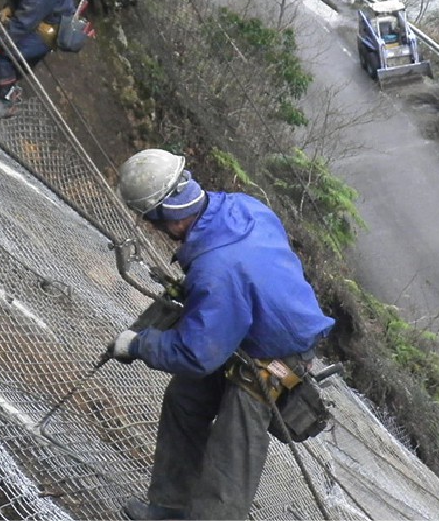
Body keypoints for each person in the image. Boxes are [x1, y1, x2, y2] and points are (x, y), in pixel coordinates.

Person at [108, 148, 335, 520]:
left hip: (276, 354)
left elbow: (197, 354)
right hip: (245, 325)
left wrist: (139, 343)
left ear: (165, 214)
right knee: (186, 399)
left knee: (232, 452)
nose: (151, 226)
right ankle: (170, 507)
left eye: (149, 219)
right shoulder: (243, 206)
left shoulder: (217, 271)